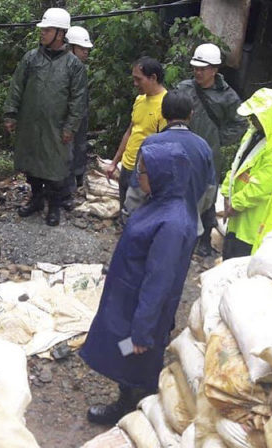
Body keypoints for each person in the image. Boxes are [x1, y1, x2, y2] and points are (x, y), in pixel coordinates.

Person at [81, 141, 197, 425]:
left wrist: (143, 331)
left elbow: (159, 281)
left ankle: (133, 411)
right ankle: (127, 398)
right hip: (128, 300)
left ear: (162, 175)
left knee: (133, 354)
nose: (137, 178)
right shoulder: (160, 201)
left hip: (140, 310)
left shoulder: (172, 223)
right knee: (121, 351)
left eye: (142, 173)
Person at [4, 7, 88, 227]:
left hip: (56, 127)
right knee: (32, 164)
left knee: (56, 168)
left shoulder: (74, 65)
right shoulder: (31, 58)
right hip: (30, 123)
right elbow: (16, 87)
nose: (41, 33)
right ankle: (36, 199)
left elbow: (78, 99)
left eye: (47, 29)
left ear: (60, 33)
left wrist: (70, 126)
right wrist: (11, 113)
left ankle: (54, 206)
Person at [172, 43, 246, 255]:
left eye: (202, 69)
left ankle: (204, 240)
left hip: (208, 156)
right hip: (182, 150)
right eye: (195, 68)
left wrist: (218, 139)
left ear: (215, 70)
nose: (198, 72)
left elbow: (240, 123)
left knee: (207, 196)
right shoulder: (184, 88)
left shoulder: (227, 96)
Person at [123, 92, 214, 240]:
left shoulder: (151, 143)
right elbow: (209, 191)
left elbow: (137, 188)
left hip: (152, 226)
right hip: (188, 228)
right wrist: (193, 211)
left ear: (163, 113)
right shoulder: (203, 147)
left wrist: (132, 216)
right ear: (191, 114)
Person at [218, 88, 272, 260]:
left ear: (268, 115)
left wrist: (234, 203)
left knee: (243, 264)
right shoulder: (254, 133)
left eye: (255, 115)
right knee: (229, 258)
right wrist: (226, 193)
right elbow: (237, 164)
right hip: (238, 213)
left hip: (257, 220)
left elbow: (264, 184)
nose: (251, 119)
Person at [106, 57, 168, 212]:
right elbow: (130, 131)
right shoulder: (140, 99)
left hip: (144, 171)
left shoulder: (166, 105)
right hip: (127, 164)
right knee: (124, 210)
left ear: (153, 78)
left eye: (138, 79)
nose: (135, 84)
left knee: (137, 213)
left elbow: (165, 146)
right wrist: (114, 162)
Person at [64, 25, 94, 199]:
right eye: (82, 48)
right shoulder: (64, 68)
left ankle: (78, 180)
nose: (85, 53)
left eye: (86, 49)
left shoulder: (80, 69)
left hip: (80, 116)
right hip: (68, 117)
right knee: (68, 150)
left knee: (80, 146)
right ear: (71, 47)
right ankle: (67, 187)